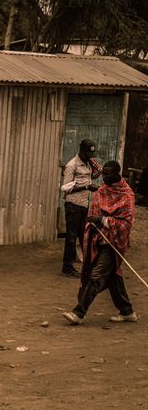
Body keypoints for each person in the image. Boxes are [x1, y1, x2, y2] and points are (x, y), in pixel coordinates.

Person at [62, 161, 137, 325]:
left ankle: (79, 313)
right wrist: (94, 221)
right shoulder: (102, 191)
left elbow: (126, 224)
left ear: (118, 174)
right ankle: (127, 311)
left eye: (109, 174)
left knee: (97, 276)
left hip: (114, 243)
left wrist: (102, 220)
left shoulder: (127, 195)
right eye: (104, 173)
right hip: (99, 240)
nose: (105, 177)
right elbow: (94, 211)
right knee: (113, 278)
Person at [60, 139, 102, 277]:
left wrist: (98, 170)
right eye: (89, 154)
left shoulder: (88, 163)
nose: (91, 157)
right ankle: (67, 267)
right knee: (71, 237)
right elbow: (65, 189)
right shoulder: (72, 165)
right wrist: (86, 187)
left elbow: (91, 177)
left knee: (83, 236)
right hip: (73, 205)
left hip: (84, 204)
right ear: (82, 151)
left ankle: (86, 265)